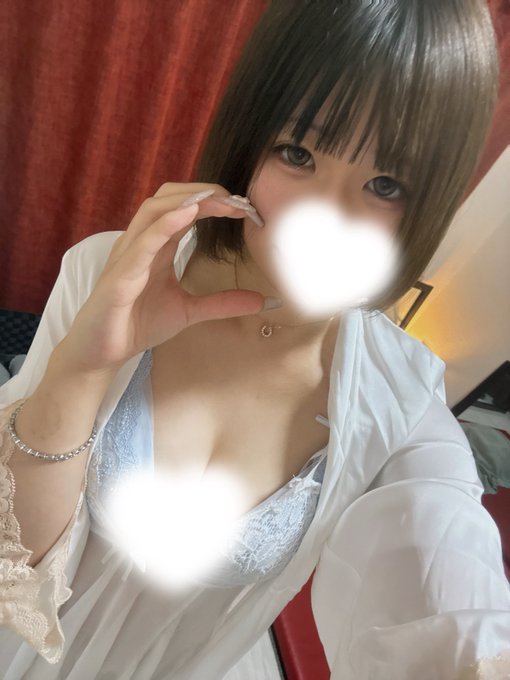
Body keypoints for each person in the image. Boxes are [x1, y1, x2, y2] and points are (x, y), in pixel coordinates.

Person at [1, 0, 510, 678]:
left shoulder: (399, 399)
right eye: (298, 153)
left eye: (384, 184)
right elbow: (14, 573)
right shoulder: (108, 273)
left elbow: (450, 581)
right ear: (251, 136)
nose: (323, 218)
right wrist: (82, 367)